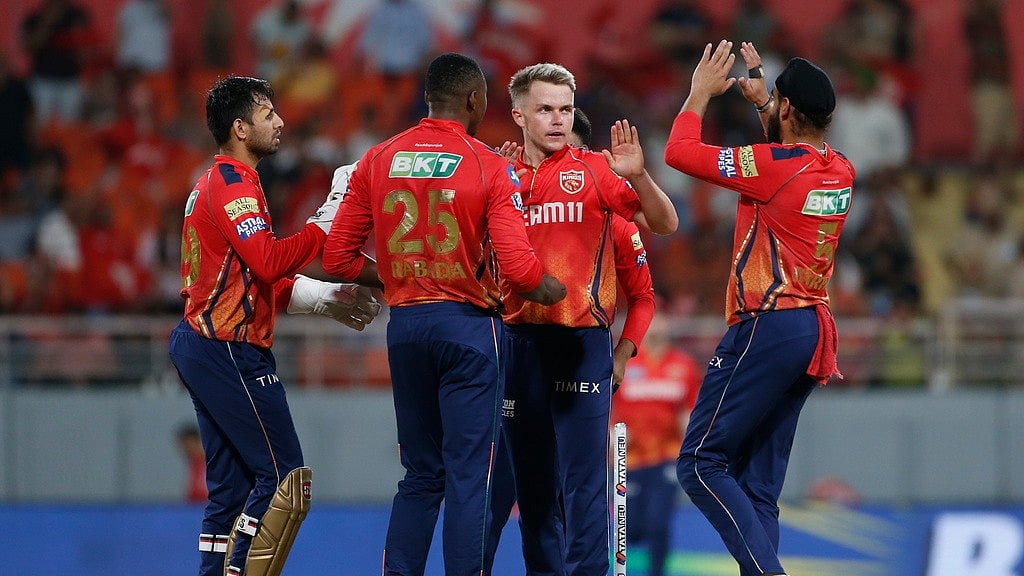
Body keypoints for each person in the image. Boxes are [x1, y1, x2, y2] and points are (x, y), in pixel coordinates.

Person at [322, 52, 566, 576]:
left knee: (419, 474)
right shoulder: (487, 164)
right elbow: (523, 273)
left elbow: (336, 259)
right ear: (476, 101)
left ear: (429, 98)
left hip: (406, 329)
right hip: (469, 331)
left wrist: (400, 275)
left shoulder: (377, 158)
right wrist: (555, 289)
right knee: (469, 478)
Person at [168, 75, 381, 576]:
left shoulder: (219, 184)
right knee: (286, 479)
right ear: (240, 128)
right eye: (267, 114)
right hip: (228, 348)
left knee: (231, 490)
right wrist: (325, 223)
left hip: (207, 344)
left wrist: (325, 298)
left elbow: (251, 280)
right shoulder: (232, 185)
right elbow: (267, 262)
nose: (281, 122)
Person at [663, 41, 854, 576]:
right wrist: (767, 106)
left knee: (699, 463)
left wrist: (700, 93)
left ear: (789, 109)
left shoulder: (772, 167)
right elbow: (792, 157)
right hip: (812, 332)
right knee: (759, 487)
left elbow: (679, 153)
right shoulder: (841, 170)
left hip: (766, 325)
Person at [499, 62, 677, 576]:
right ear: (519, 115)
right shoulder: (500, 175)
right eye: (545, 110)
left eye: (565, 109)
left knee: (584, 485)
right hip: (519, 344)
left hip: (582, 346)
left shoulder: (597, 170)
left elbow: (666, 223)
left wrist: (639, 174)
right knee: (534, 490)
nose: (557, 120)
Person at [609, 307, 701, 576]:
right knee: (632, 529)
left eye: (662, 318)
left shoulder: (684, 366)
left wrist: (691, 452)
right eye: (652, 320)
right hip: (630, 458)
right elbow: (609, 412)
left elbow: (689, 412)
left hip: (667, 457)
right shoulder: (624, 365)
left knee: (659, 523)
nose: (658, 325)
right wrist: (613, 444)